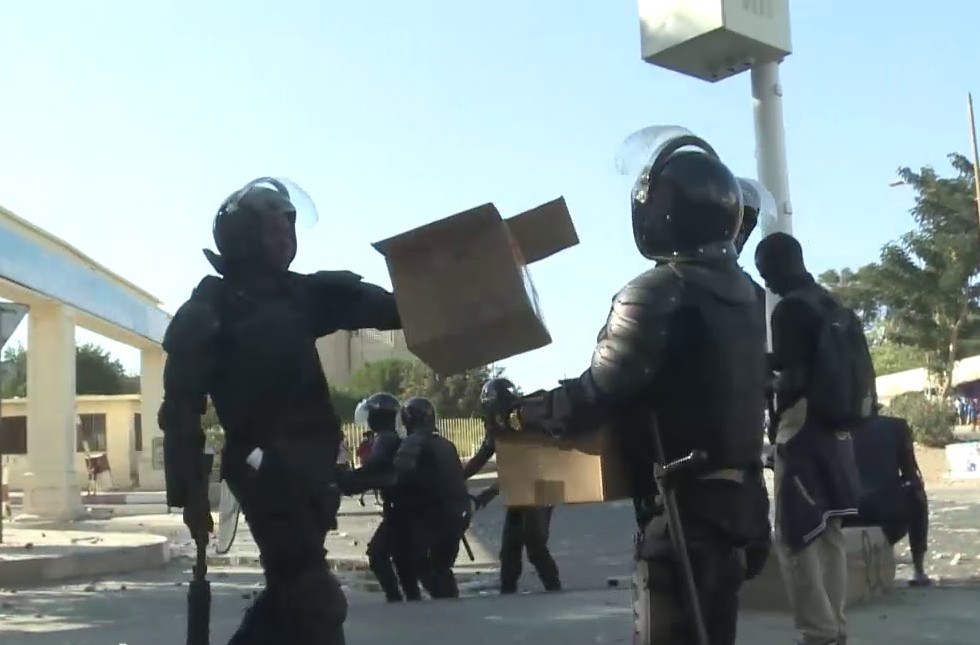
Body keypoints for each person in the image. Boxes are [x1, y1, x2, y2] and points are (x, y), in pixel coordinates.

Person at [486, 129, 772, 645]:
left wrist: (522, 414)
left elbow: (599, 391)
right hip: (743, 500)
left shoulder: (658, 290)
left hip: (688, 513)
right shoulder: (748, 294)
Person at [158, 177, 401, 645]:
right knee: (315, 600)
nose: (286, 237)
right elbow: (181, 411)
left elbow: (393, 308)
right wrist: (190, 495)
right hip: (264, 470)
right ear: (243, 236)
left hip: (313, 472)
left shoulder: (302, 294)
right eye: (274, 228)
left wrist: (449, 284)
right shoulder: (211, 309)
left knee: (293, 601)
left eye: (290, 226)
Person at [756, 231, 865, 645]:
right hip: (837, 430)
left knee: (795, 536)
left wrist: (762, 380)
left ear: (784, 264)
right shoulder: (830, 303)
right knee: (829, 531)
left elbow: (794, 375)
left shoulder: (789, 310)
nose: (767, 282)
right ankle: (835, 626)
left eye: (768, 272)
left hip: (801, 426)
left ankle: (817, 633)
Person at [468, 378, 561, 594]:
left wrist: (487, 494)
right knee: (510, 546)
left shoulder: (524, 422)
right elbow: (481, 459)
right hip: (521, 490)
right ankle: (508, 590)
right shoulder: (499, 427)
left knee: (535, 544)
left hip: (542, 486)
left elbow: (521, 467)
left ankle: (554, 589)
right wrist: (455, 477)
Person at [340, 392, 419, 602]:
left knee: (377, 554)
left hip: (399, 509)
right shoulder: (392, 437)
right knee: (402, 558)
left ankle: (395, 597)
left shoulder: (385, 440)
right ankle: (413, 599)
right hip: (407, 506)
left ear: (379, 416)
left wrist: (344, 482)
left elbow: (371, 471)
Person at [392, 396, 473, 599]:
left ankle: (442, 603)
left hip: (430, 516)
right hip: (457, 514)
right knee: (443, 567)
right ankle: (451, 604)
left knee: (420, 563)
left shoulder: (412, 443)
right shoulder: (446, 444)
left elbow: (399, 478)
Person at [845, 402, 931, 586]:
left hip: (845, 513)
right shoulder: (896, 426)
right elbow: (909, 473)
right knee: (917, 495)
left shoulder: (838, 428)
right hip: (888, 514)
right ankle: (918, 569)